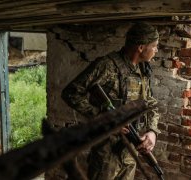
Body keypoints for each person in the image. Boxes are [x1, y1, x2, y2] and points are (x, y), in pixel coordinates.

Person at [61, 22, 160, 180]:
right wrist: (103, 118)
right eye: (154, 46)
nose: (156, 50)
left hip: (131, 149)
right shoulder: (107, 65)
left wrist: (152, 132)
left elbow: (150, 104)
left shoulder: (143, 70)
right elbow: (71, 92)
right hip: (106, 153)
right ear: (141, 47)